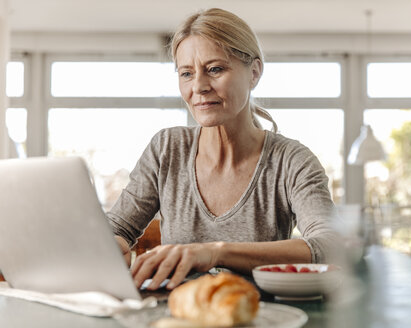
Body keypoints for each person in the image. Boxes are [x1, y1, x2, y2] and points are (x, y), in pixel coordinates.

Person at [107, 7, 338, 291]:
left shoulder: (291, 161)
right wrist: (111, 245)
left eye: (215, 69)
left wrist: (215, 252)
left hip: (257, 313)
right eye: (187, 73)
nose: (200, 87)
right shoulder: (167, 148)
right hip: (179, 312)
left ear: (254, 73)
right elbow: (117, 228)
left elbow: (329, 245)